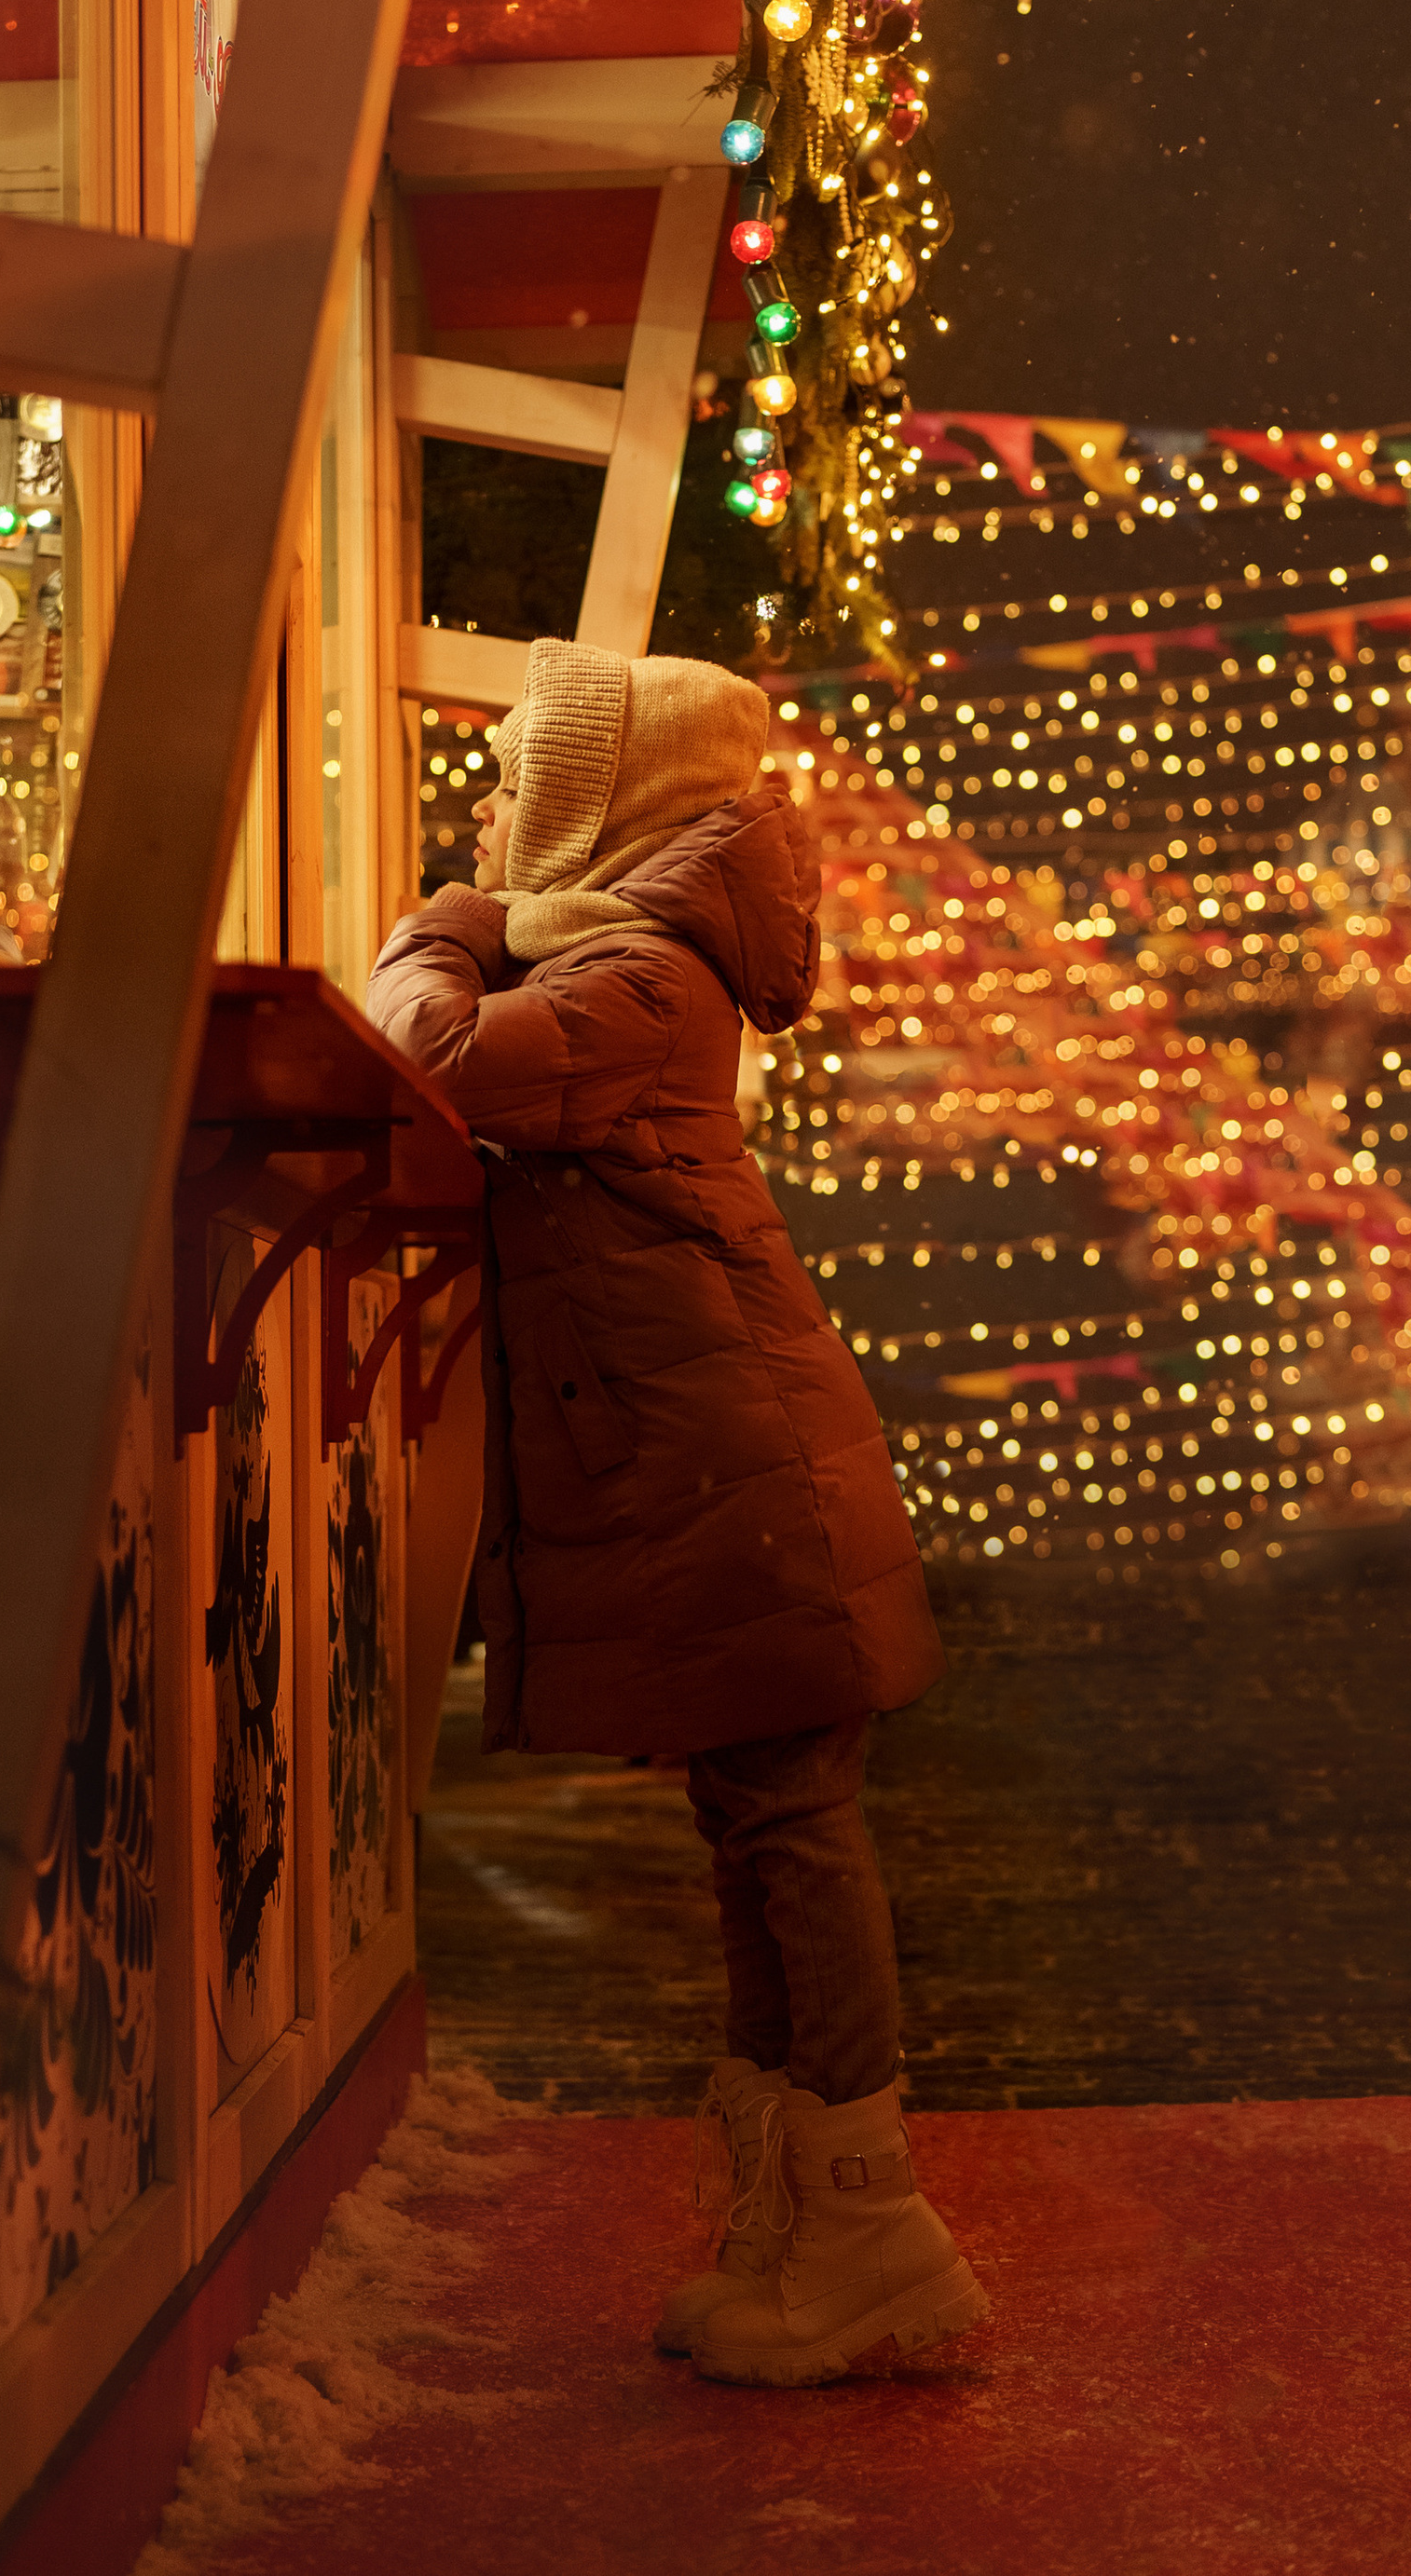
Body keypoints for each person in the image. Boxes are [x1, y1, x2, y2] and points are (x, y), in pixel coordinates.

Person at [366, 636, 985, 2388]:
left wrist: (443, 921)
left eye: (522, 784)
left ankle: (865, 2222)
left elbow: (431, 1060)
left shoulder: (637, 970)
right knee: (764, 1823)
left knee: (790, 1824)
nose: (495, 814)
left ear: (600, 794)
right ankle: (808, 2219)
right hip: (727, 1460)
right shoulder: (639, 949)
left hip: (739, 1469)